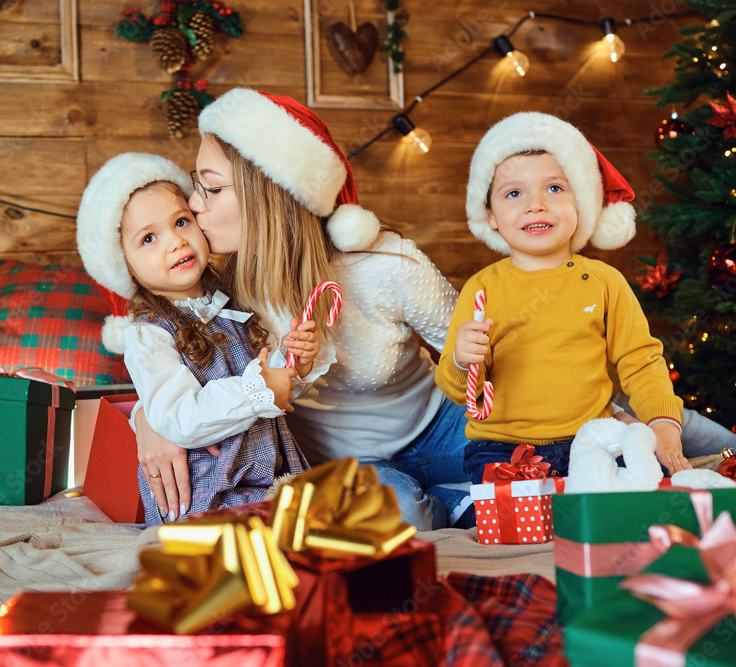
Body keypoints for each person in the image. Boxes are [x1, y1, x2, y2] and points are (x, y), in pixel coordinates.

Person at [135, 88, 470, 531]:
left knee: (545, 467)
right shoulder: (220, 288)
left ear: (268, 197)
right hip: (345, 464)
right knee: (406, 517)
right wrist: (146, 421)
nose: (194, 205)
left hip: (440, 424)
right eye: (197, 186)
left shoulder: (384, 264)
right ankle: (459, 504)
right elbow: (165, 358)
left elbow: (475, 348)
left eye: (211, 188)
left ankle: (471, 495)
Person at [436, 111, 689, 483]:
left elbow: (640, 360)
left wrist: (663, 423)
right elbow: (460, 392)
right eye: (513, 193)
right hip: (502, 447)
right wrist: (462, 359)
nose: (535, 204)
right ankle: (462, 503)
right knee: (516, 523)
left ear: (582, 202)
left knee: (630, 497)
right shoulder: (482, 289)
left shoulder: (603, 282)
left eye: (554, 188)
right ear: (489, 214)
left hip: (592, 438)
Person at [75, 152, 311, 526]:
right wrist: (257, 391)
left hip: (270, 479)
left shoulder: (232, 304)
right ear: (125, 265)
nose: (175, 242)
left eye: (181, 221)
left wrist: (294, 361)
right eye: (149, 238)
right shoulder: (148, 332)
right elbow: (177, 417)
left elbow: (269, 379)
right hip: (210, 496)